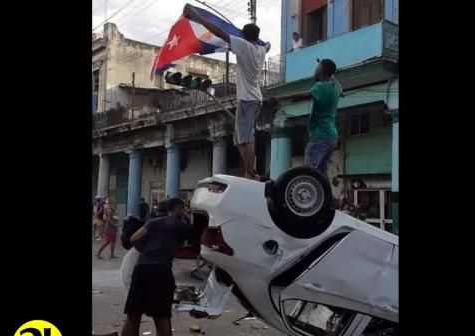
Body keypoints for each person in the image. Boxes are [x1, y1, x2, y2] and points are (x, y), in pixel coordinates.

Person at [183, 4, 271, 180]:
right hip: (254, 98)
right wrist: (264, 42)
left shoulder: (244, 46)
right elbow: (268, 45)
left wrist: (196, 15)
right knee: (239, 140)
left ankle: (251, 173)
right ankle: (249, 170)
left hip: (247, 99)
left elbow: (218, 31)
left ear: (244, 36)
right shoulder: (261, 50)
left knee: (245, 138)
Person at [121, 198, 193, 336]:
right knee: (162, 318)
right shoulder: (181, 225)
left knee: (133, 315)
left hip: (141, 268)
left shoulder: (152, 222)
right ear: (179, 209)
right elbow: (197, 245)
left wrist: (146, 251)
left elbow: (134, 239)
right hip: (161, 270)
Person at [271, 59, 342, 177]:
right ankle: (327, 196)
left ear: (321, 70)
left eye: (317, 66)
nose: (315, 69)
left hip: (320, 136)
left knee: (308, 173)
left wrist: (280, 98)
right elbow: (339, 85)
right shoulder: (336, 88)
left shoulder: (321, 87)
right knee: (321, 174)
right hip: (331, 137)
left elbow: (305, 94)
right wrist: (330, 75)